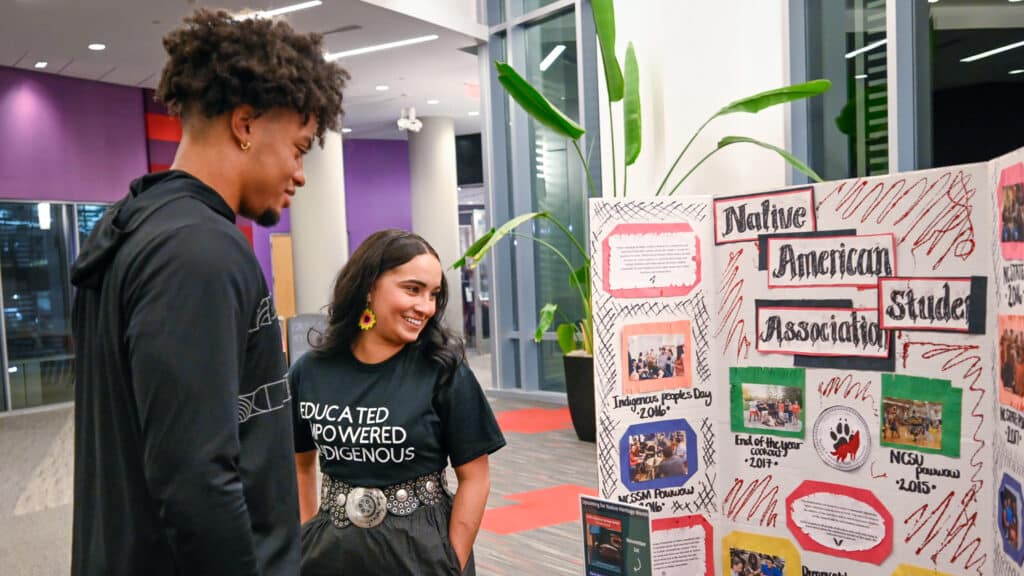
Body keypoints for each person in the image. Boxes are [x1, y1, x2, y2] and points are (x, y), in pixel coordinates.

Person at [68, 10, 347, 576]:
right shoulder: (199, 254)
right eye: (297, 148)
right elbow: (195, 480)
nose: (300, 173)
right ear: (245, 124)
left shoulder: (136, 229)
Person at [291, 230, 506, 575]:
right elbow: (299, 464)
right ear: (368, 286)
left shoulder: (443, 371)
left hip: (422, 554)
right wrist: (305, 535)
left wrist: (452, 560)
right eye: (412, 289)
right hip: (332, 554)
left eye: (433, 294)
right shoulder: (310, 371)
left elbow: (476, 478)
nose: (425, 307)